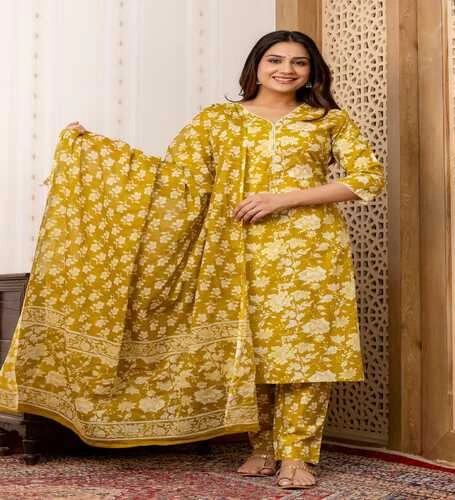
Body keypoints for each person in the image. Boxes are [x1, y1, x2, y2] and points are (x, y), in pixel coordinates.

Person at [3, 30, 384, 490]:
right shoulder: (217, 120)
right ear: (256, 66)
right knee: (252, 350)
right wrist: (96, 152)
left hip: (311, 251)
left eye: (298, 62)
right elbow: (176, 180)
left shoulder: (327, 121)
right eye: (275, 59)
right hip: (233, 250)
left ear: (311, 71)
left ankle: (298, 455)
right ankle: (264, 448)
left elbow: (368, 179)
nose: (286, 69)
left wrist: (283, 198)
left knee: (305, 351)